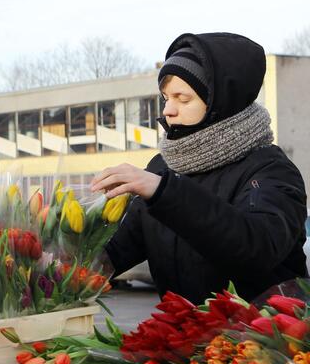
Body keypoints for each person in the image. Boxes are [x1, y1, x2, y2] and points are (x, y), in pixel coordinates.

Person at [92, 32, 308, 304]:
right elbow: (113, 255)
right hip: (185, 340)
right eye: (165, 98)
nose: (168, 110)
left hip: (263, 340)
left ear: (221, 103)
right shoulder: (163, 168)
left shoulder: (270, 169)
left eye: (182, 99)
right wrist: (50, 257)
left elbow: (257, 247)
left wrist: (163, 192)